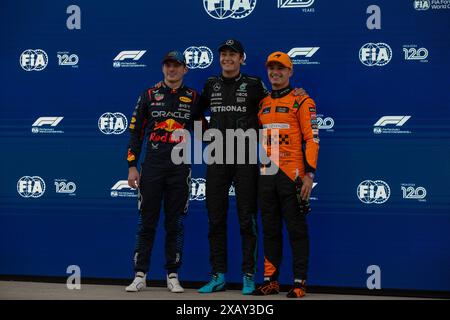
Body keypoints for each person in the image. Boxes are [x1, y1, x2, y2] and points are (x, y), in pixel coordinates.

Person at [197, 39, 269, 295]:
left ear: (242, 58)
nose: (227, 58)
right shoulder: (210, 84)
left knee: (246, 218)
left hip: (246, 158)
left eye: (233, 54)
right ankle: (218, 275)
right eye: (224, 54)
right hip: (217, 157)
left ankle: (249, 275)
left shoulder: (253, 84)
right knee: (215, 218)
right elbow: (195, 112)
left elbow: (271, 110)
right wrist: (205, 134)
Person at [125, 51, 200, 293]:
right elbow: (135, 133)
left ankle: (173, 274)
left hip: (180, 169)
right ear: (162, 68)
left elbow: (204, 130)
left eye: (177, 66)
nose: (172, 69)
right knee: (146, 222)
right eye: (168, 65)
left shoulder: (193, 97)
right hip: (153, 167)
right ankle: (140, 274)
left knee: (175, 223)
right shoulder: (148, 95)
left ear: (185, 69)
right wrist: (132, 166)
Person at [252, 51, 319, 298]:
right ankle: (271, 280)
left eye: (281, 69)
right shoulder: (263, 102)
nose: (275, 73)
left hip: (293, 175)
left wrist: (310, 175)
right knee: (269, 228)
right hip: (266, 173)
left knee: (296, 229)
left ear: (290, 72)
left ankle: (300, 282)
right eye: (271, 68)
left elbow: (312, 138)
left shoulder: (302, 101)